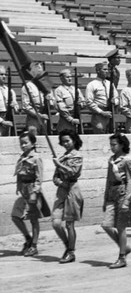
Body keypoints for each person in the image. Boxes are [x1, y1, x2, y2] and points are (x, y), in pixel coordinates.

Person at [11, 131, 50, 256]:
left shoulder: (36, 158)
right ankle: (28, 238)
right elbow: (19, 173)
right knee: (15, 216)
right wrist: (18, 186)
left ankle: (34, 245)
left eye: (25, 143)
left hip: (32, 190)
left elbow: (39, 177)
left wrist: (35, 192)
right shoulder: (22, 157)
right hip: (24, 190)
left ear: (33, 144)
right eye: (21, 143)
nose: (23, 146)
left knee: (33, 219)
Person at [102, 133, 131, 269]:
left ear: (122, 145)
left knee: (121, 228)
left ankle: (122, 257)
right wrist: (105, 199)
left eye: (114, 144)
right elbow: (108, 180)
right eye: (111, 145)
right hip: (112, 195)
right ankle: (124, 247)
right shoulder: (111, 160)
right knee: (106, 225)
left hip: (122, 195)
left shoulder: (127, 161)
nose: (112, 147)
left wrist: (127, 201)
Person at [51, 129, 84, 263]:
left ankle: (70, 252)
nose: (65, 144)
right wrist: (59, 182)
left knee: (69, 224)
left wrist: (59, 165)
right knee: (55, 222)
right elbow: (55, 177)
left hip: (72, 190)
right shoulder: (62, 157)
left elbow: (74, 173)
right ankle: (68, 246)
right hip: (62, 191)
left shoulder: (77, 156)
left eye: (67, 141)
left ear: (74, 141)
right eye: (63, 141)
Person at [85, 62, 119, 134]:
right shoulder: (92, 85)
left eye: (107, 69)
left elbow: (117, 97)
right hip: (99, 114)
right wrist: (102, 112)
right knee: (100, 130)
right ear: (98, 71)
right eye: (104, 69)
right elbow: (89, 101)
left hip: (110, 112)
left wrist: (115, 101)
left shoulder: (110, 83)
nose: (107, 71)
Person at [21, 61, 52, 135]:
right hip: (33, 119)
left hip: (45, 118)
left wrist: (50, 101)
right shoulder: (28, 86)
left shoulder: (47, 86)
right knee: (33, 139)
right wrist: (39, 115)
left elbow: (53, 104)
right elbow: (26, 106)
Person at [54, 69, 84, 133]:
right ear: (61, 78)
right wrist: (71, 120)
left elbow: (83, 102)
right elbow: (61, 108)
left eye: (70, 77)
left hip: (77, 118)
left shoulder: (76, 89)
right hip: (65, 120)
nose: (70, 79)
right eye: (67, 77)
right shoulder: (59, 90)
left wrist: (80, 104)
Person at [0, 65, 18, 136]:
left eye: (5, 74)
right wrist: (2, 122)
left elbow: (16, 108)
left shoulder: (10, 91)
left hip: (8, 118)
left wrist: (14, 106)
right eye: (1, 74)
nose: (4, 76)